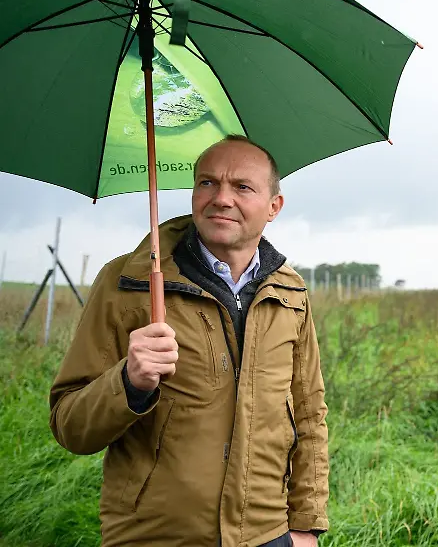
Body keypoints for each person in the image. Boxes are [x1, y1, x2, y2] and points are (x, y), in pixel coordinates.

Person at [49, 136, 329, 547]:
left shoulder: (290, 294)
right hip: (156, 536)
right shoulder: (126, 284)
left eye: (243, 187)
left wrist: (305, 525)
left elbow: (308, 415)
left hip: (267, 535)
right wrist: (129, 382)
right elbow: (69, 426)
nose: (221, 198)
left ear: (274, 207)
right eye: (207, 183)